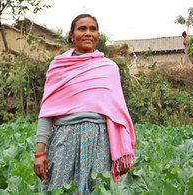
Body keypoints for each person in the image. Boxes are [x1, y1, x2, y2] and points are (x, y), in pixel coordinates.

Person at [33, 14, 135, 194]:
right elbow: (47, 111)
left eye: (92, 29)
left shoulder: (109, 68)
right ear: (72, 35)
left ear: (98, 35)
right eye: (82, 29)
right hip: (64, 140)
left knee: (98, 190)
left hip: (99, 142)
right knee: (60, 189)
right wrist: (40, 153)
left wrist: (123, 153)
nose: (88, 33)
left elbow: (119, 112)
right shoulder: (58, 67)